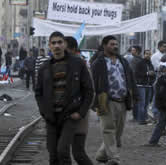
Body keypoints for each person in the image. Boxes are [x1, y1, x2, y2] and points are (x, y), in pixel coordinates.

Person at [35, 33, 94, 165]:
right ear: (49, 46)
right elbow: (38, 92)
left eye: (60, 42)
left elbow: (89, 90)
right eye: (54, 43)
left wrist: (80, 112)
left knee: (63, 150)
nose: (57, 46)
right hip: (51, 117)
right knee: (53, 154)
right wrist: (44, 112)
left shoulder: (77, 63)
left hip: (69, 115)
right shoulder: (45, 67)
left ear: (65, 45)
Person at [91, 35, 136, 165]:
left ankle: (101, 154)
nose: (115, 46)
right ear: (104, 45)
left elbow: (130, 78)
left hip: (122, 100)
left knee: (118, 132)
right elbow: (92, 82)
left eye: (116, 44)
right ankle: (114, 159)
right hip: (106, 100)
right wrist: (94, 102)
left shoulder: (123, 61)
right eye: (112, 44)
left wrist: (135, 95)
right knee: (108, 129)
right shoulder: (98, 62)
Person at [62, 36, 94, 165]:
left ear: (73, 49)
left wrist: (81, 113)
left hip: (78, 117)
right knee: (62, 152)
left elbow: (90, 92)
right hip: (64, 117)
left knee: (78, 153)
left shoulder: (82, 66)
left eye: (65, 49)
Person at [134, 46, 155, 125]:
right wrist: (146, 73)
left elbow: (153, 74)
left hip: (148, 86)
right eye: (146, 54)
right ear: (144, 55)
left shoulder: (150, 64)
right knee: (141, 104)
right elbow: (136, 74)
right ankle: (141, 120)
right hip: (141, 86)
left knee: (146, 104)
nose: (148, 55)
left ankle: (145, 118)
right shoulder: (140, 63)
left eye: (149, 54)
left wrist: (153, 76)